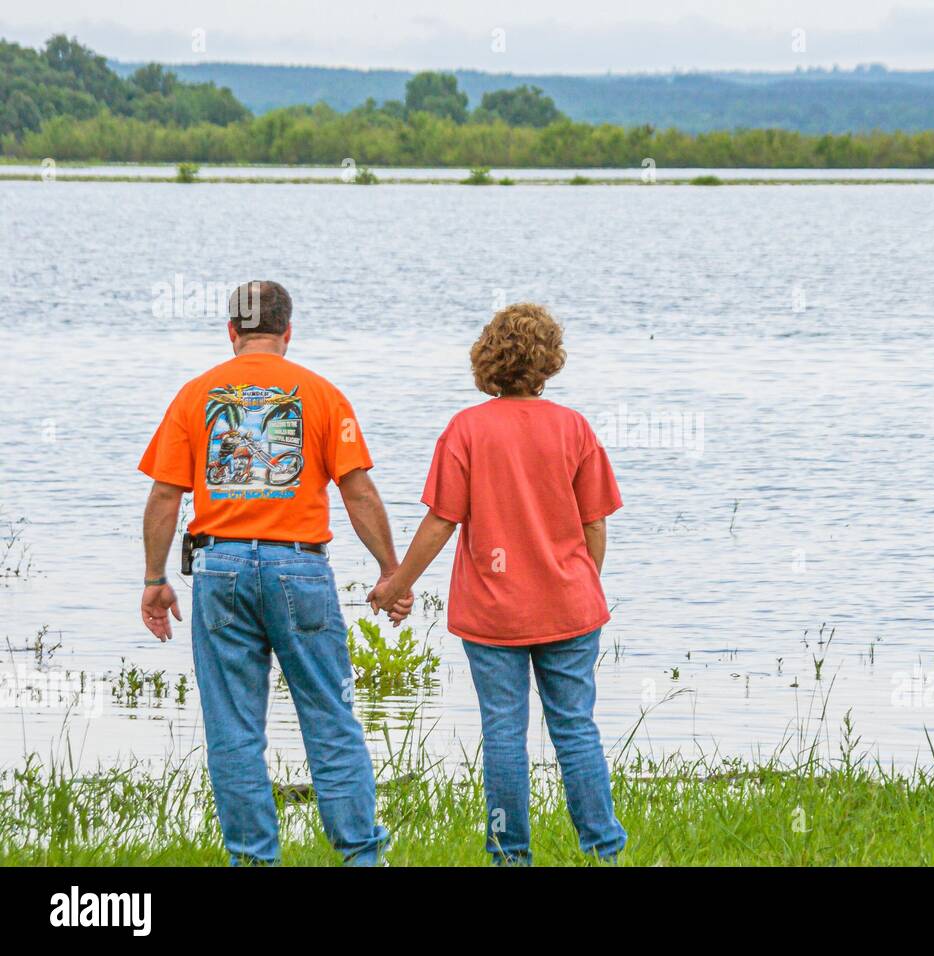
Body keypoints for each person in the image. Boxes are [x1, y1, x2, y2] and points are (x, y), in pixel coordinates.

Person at [137, 280, 413, 866]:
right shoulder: (322, 394)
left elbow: (165, 496)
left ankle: (253, 859)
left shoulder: (195, 395)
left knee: (234, 728)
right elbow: (358, 491)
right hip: (300, 570)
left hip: (220, 568)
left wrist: (153, 577)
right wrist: (391, 572)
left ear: (231, 332)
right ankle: (364, 858)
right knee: (330, 716)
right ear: (288, 331)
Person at [368, 302, 626, 865]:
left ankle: (510, 855)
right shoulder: (574, 427)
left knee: (505, 733)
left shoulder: (466, 429)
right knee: (576, 728)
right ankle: (605, 850)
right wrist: (582, 586)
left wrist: (396, 585)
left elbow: (441, 521)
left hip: (493, 614)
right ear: (549, 361)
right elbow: (595, 522)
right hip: (570, 607)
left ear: (488, 358)